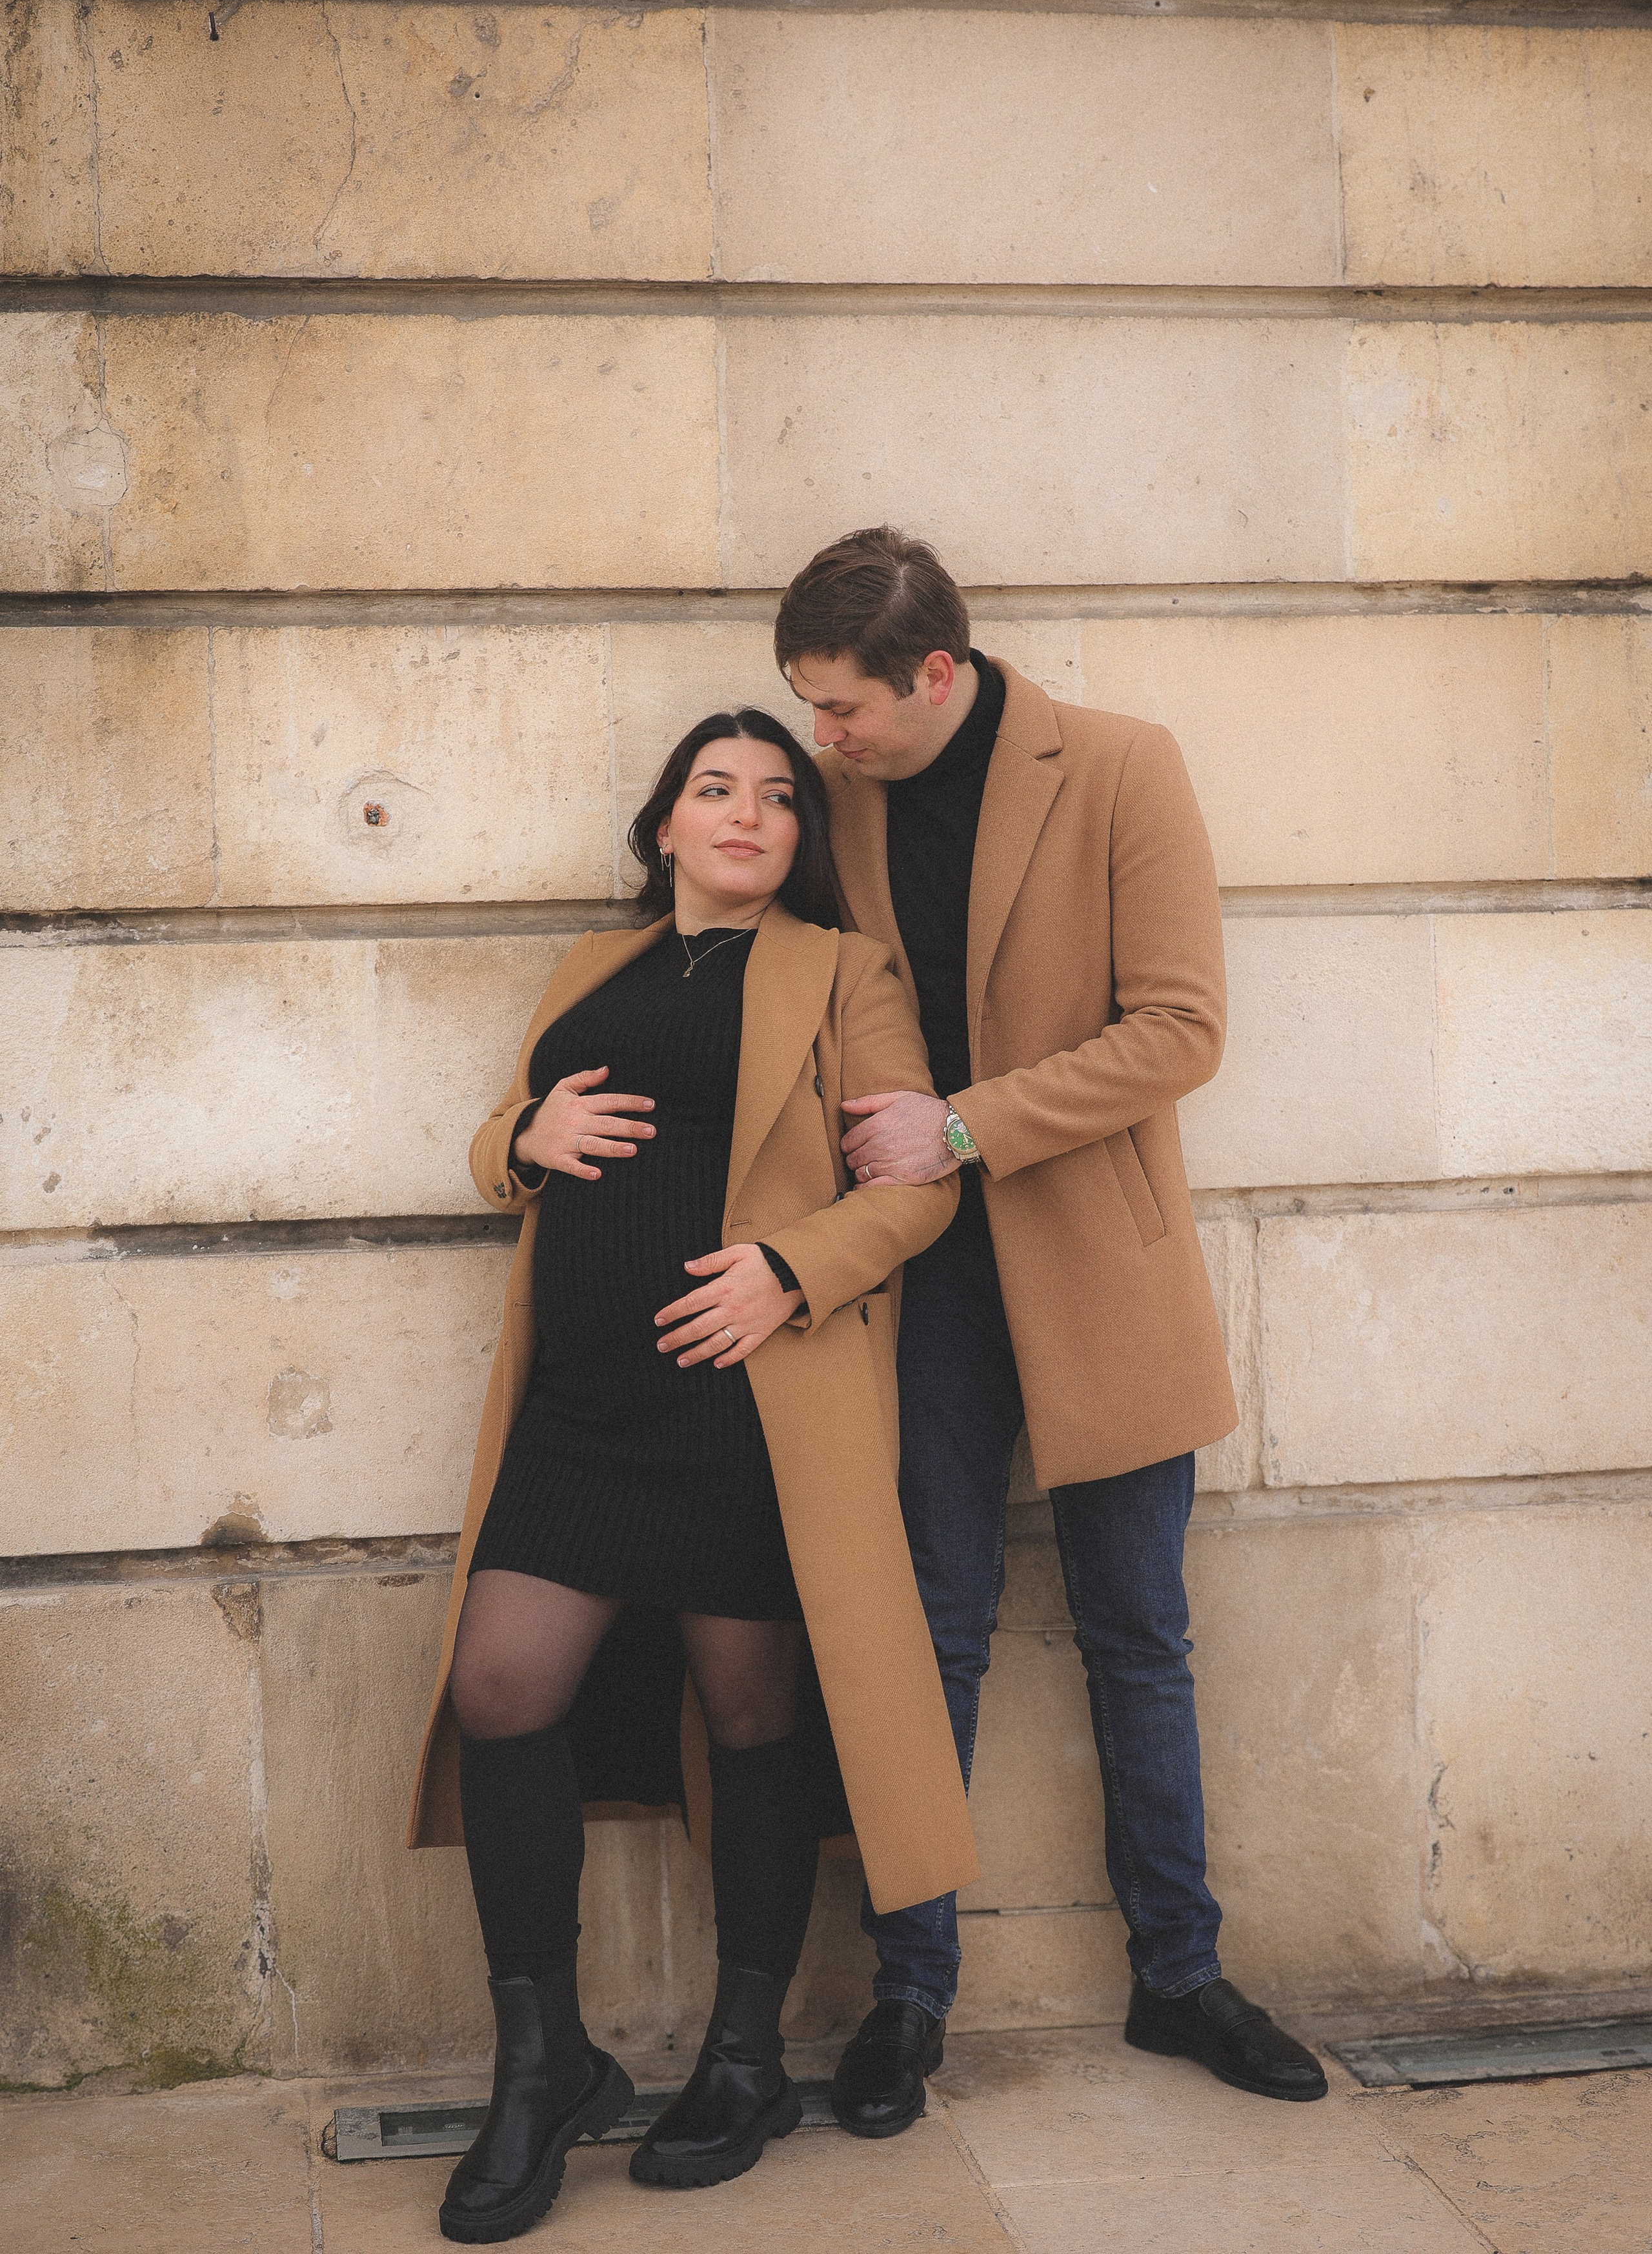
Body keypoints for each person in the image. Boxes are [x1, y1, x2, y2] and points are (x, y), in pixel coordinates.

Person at [774, 527, 1329, 2133]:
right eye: (806, 710)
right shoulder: (842, 797)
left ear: (932, 672)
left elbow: (1180, 1026)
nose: (824, 740)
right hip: (922, 1280)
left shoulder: (1116, 766)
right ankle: (908, 1996)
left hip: (1096, 1260)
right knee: (925, 1637)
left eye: (842, 708)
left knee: (1135, 1635)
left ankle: (1179, 1972)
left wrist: (959, 1125)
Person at [405, 707, 976, 2244]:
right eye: (713, 790)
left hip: (744, 1412)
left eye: (779, 795)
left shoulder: (842, 970)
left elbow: (910, 1186)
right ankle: (545, 2066)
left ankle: (743, 2058)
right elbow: (490, 1143)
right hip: (578, 1408)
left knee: (753, 1718)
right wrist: (519, 1131)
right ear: (663, 822)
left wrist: (789, 1267)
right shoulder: (589, 966)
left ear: (800, 835)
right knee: (499, 1688)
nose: (747, 813)